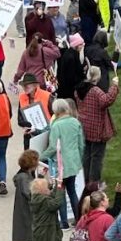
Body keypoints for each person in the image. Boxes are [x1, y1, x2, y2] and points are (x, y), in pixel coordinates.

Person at [40, 97, 84, 229]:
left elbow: (53, 147)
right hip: (73, 163)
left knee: (61, 192)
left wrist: (40, 157)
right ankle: (78, 220)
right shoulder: (76, 122)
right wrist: (79, 160)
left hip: (60, 164)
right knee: (72, 192)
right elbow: (81, 145)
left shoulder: (56, 125)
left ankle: (64, 222)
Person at [75, 66, 119, 182]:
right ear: (97, 77)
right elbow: (107, 100)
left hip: (84, 126)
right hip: (97, 128)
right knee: (96, 157)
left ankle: (85, 180)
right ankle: (94, 183)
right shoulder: (95, 90)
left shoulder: (78, 89)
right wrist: (114, 86)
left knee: (87, 155)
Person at [12, 149, 40, 241]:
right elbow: (30, 194)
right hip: (28, 215)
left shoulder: (25, 175)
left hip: (27, 214)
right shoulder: (24, 178)